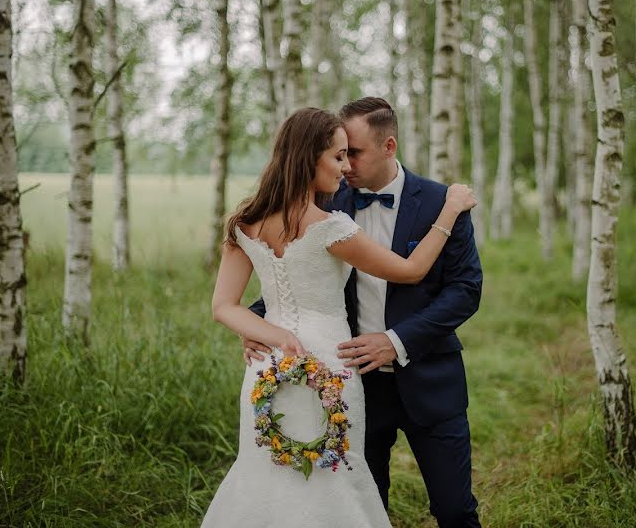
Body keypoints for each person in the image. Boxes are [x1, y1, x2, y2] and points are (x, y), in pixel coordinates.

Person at [203, 107, 476, 528]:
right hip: (337, 368)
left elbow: (228, 305)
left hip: (396, 372)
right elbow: (407, 270)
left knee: (279, 477)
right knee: (340, 484)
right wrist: (259, 331)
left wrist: (269, 332)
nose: (346, 167)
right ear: (311, 157)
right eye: (338, 155)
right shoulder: (332, 218)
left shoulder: (245, 221)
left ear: (389, 146)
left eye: (353, 154)